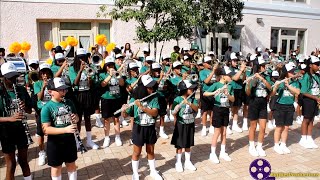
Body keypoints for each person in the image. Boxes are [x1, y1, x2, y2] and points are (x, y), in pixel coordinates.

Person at [122, 75, 163, 180]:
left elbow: (154, 113)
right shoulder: (133, 98)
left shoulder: (154, 97)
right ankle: (135, 173)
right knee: (137, 152)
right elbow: (125, 115)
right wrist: (123, 110)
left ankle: (153, 171)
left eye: (152, 87)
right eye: (149, 87)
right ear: (142, 88)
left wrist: (142, 107)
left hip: (150, 127)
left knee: (150, 150)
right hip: (138, 128)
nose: (152, 89)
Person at [41, 77, 79, 180]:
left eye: (65, 89)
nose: (64, 92)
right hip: (55, 143)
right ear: (50, 92)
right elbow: (46, 129)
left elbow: (77, 117)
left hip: (69, 140)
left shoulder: (69, 102)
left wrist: (75, 118)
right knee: (56, 167)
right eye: (60, 90)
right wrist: (65, 129)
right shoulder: (47, 107)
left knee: (71, 164)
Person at [0, 62, 32, 180]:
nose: (13, 80)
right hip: (5, 132)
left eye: (15, 76)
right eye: (10, 77)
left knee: (24, 161)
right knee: (11, 164)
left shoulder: (21, 90)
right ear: (3, 77)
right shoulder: (0, 92)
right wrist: (10, 118)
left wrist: (25, 106)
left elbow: (29, 110)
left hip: (21, 129)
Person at [69, 48, 99, 150]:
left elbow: (91, 85)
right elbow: (74, 83)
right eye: (80, 58)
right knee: (78, 119)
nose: (82, 60)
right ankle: (77, 141)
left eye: (84, 57)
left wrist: (90, 78)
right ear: (77, 58)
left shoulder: (90, 67)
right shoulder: (72, 68)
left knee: (87, 118)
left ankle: (89, 141)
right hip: (77, 95)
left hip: (87, 94)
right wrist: (81, 71)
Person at [204, 66, 235, 164]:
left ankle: (222, 152)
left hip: (226, 109)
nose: (231, 77)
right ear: (223, 76)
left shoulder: (230, 86)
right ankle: (212, 153)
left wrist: (227, 94)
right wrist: (214, 92)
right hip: (217, 109)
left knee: (224, 132)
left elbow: (233, 99)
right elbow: (205, 93)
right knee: (217, 132)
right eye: (229, 75)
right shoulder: (217, 84)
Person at [271, 64, 300, 154]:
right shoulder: (280, 81)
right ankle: (276, 145)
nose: (293, 73)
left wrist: (288, 86)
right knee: (279, 127)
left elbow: (297, 92)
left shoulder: (295, 82)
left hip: (290, 106)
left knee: (286, 127)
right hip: (280, 105)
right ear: (286, 72)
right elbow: (272, 94)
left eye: (293, 71)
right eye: (291, 71)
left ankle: (283, 144)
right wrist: (276, 86)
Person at [246, 57, 272, 157]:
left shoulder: (266, 76)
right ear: (258, 67)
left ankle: (260, 146)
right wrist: (250, 82)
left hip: (263, 102)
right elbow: (248, 93)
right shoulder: (251, 76)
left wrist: (262, 79)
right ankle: (252, 146)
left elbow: (270, 88)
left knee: (263, 127)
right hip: (253, 102)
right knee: (253, 126)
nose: (265, 67)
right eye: (263, 66)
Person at [171, 80, 198, 172]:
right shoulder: (177, 99)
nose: (192, 89)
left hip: (190, 123)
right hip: (180, 124)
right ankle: (178, 162)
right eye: (190, 88)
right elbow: (173, 113)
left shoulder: (193, 99)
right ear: (185, 89)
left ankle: (187, 161)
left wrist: (189, 104)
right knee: (179, 145)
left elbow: (196, 109)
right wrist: (176, 108)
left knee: (188, 144)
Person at [99, 56, 125, 147]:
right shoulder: (102, 75)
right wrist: (110, 75)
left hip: (116, 98)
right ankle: (107, 137)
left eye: (112, 65)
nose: (110, 67)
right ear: (105, 66)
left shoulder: (117, 73)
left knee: (116, 118)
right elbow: (102, 84)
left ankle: (117, 137)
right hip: (106, 99)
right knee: (106, 119)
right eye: (108, 65)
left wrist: (118, 75)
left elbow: (122, 84)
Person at [33, 63, 54, 166]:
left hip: (52, 109)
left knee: (53, 131)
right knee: (40, 133)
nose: (45, 75)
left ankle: (52, 150)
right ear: (40, 74)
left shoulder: (53, 82)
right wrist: (43, 87)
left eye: (47, 72)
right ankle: (41, 152)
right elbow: (39, 98)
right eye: (43, 73)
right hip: (42, 111)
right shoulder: (37, 83)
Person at [299, 56, 320, 149]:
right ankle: (303, 139)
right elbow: (303, 91)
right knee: (306, 119)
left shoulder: (317, 76)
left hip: (316, 100)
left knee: (312, 119)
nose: (318, 66)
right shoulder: (306, 76)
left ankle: (309, 137)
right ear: (311, 65)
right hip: (308, 100)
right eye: (317, 65)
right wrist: (315, 97)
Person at [228, 52, 246, 134]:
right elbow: (235, 78)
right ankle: (227, 125)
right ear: (230, 61)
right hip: (232, 89)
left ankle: (235, 124)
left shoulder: (238, 69)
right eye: (234, 61)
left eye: (236, 61)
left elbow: (243, 79)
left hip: (239, 89)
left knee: (236, 108)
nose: (236, 62)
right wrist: (241, 70)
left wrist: (244, 72)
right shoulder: (228, 69)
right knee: (229, 108)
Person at [199, 56, 217, 136]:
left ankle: (211, 126)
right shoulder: (202, 72)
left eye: (211, 62)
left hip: (213, 92)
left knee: (212, 111)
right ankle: (204, 127)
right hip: (205, 92)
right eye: (208, 63)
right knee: (205, 111)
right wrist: (213, 72)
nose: (210, 64)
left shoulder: (214, 71)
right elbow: (206, 81)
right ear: (204, 64)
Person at [150, 63, 169, 139]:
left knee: (162, 115)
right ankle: (153, 129)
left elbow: (165, 88)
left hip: (162, 98)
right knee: (153, 116)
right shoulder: (150, 78)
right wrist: (160, 78)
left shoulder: (162, 78)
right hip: (154, 99)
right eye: (155, 70)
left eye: (158, 70)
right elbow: (153, 86)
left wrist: (165, 85)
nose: (157, 72)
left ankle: (161, 130)